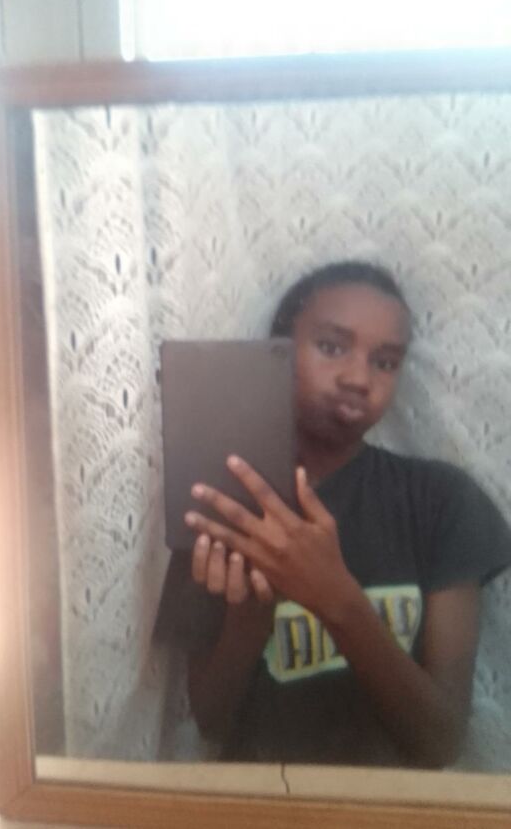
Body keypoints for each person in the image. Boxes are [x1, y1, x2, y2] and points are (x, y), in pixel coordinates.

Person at [154, 260, 511, 769]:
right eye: (331, 347)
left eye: (385, 361)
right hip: (260, 801)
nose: (358, 378)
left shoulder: (443, 502)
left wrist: (336, 599)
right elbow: (212, 721)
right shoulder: (224, 501)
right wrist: (251, 613)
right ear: (279, 354)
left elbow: (440, 742)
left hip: (390, 804)